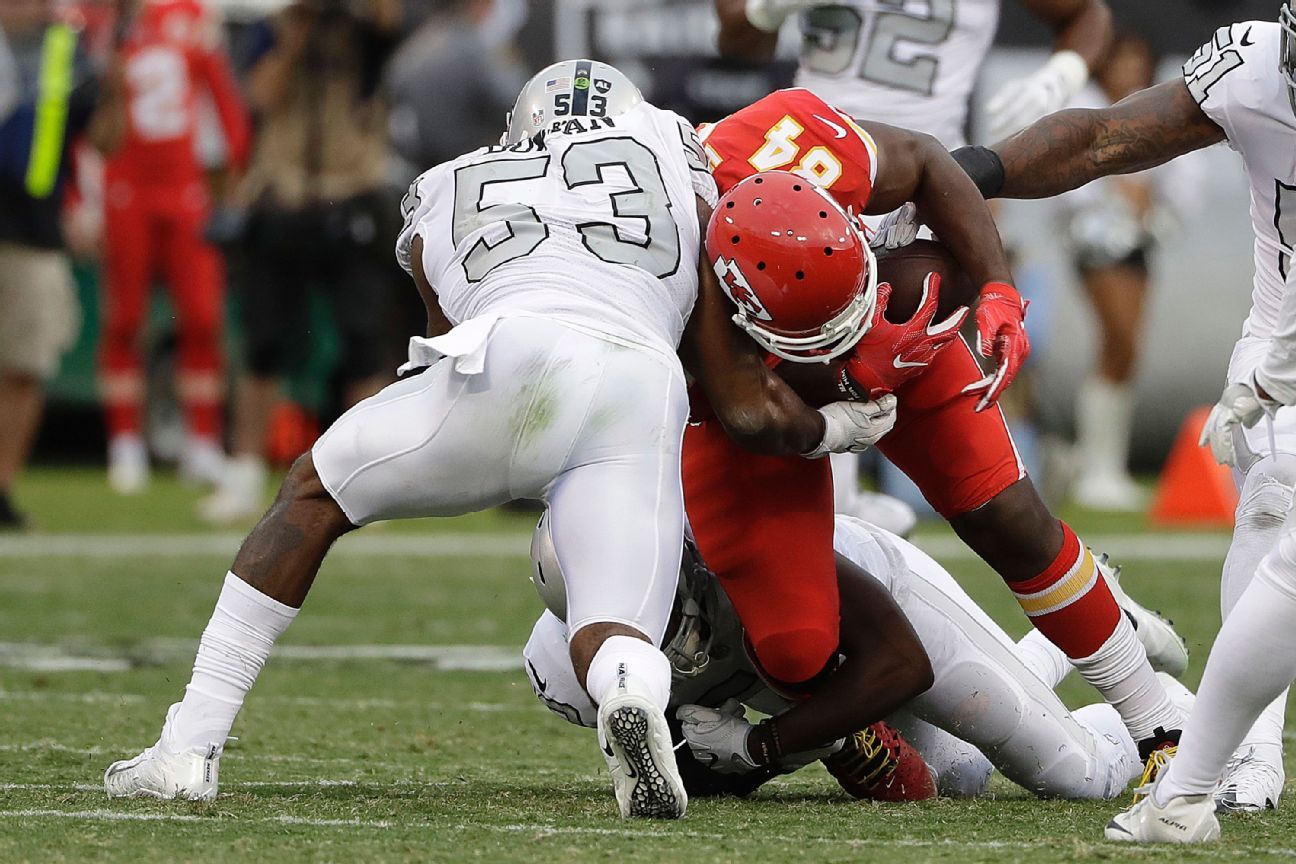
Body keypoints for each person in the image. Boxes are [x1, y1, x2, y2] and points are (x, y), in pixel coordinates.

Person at [100, 59, 895, 820]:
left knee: (314, 491)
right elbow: (739, 403)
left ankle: (187, 747)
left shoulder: (445, 183)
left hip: (505, 354)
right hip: (636, 381)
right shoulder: (676, 152)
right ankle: (627, 695)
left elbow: (443, 331)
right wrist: (836, 426)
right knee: (616, 624)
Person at [686, 88, 1191, 786]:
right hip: (764, 396)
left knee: (1009, 518)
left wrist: (996, 288)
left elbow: (925, 160)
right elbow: (747, 414)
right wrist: (845, 385)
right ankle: (848, 735)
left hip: (892, 330)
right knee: (795, 647)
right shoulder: (678, 264)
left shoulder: (797, 140)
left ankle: (1157, 727)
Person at [949, 4, 1296, 840]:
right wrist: (963, 170)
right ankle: (1239, 763)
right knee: (1272, 512)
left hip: (1279, 358)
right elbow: (1103, 141)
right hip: (1279, 350)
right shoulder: (1256, 68)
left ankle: (1193, 787)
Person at [713, 0, 1113, 524]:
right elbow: (737, 41)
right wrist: (770, 8)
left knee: (974, 478)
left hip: (921, 197)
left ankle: (879, 521)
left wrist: (1062, 78)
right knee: (801, 397)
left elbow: (1085, 13)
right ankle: (852, 519)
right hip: (806, 192)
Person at [525, 511, 1182, 802]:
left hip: (890, 621)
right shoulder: (570, 668)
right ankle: (1078, 635)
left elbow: (902, 666)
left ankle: (1165, 703)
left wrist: (764, 747)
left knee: (1074, 774)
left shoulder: (745, 550)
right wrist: (731, 759)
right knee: (962, 776)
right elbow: (694, 776)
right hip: (819, 683)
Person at [197, 0, 402, 524]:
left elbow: (387, 21)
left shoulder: (360, 30)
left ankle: (368, 476)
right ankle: (244, 471)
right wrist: (295, 33)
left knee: (363, 344)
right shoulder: (271, 29)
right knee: (263, 344)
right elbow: (259, 97)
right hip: (282, 194)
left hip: (350, 191)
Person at [91, 0, 251, 494]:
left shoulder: (191, 15)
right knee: (125, 318)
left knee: (202, 318)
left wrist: (235, 167)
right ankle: (125, 443)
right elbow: (88, 115)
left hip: (184, 186)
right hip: (125, 185)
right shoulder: (101, 19)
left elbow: (222, 98)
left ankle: (202, 442)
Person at [0, 0, 103, 527]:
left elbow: (101, 138)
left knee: (24, 364)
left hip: (32, 231)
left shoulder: (67, 49)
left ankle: (1, 489)